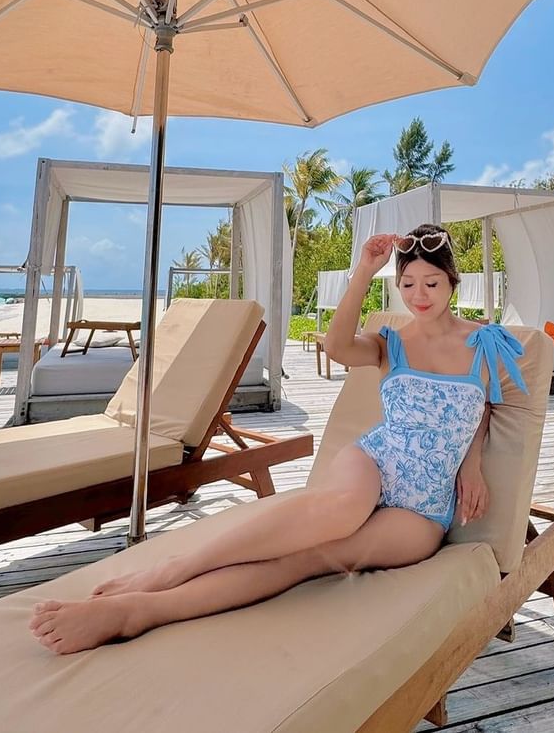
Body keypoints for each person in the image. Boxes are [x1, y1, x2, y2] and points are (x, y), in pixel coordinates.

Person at [30, 224, 527, 654]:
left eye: (431, 282)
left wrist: (471, 465)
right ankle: (171, 569)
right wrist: (362, 272)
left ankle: (142, 611)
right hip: (377, 460)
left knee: (304, 560)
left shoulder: (483, 341)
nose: (419, 294)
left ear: (452, 281)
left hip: (423, 506)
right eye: (408, 283)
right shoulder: (390, 341)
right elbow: (335, 346)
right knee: (339, 509)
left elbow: (481, 409)